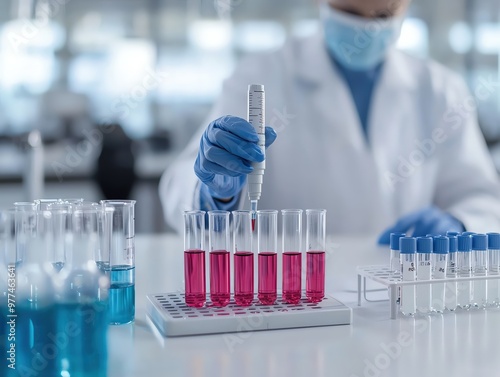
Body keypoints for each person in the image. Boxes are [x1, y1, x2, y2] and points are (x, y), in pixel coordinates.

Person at [160, 0, 500, 242]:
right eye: (350, 13)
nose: (366, 30)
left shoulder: (440, 89)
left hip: (399, 301)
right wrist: (214, 194)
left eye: (383, 15)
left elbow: (482, 197)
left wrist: (460, 222)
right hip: (288, 300)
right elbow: (179, 183)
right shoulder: (262, 74)